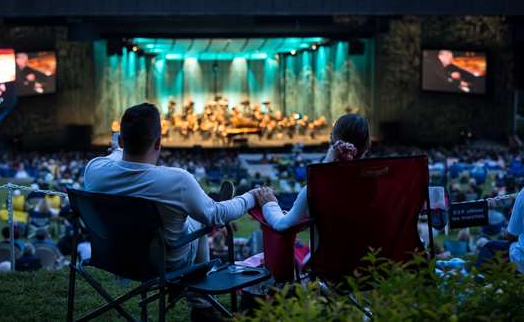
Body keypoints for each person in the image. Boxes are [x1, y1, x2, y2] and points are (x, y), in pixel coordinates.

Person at [84, 103, 258, 322]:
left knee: (197, 214)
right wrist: (251, 196)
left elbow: (114, 157)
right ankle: (200, 307)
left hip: (113, 258)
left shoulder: (94, 170)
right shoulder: (177, 181)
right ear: (158, 142)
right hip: (164, 263)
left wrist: (120, 149)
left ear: (121, 141)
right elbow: (217, 216)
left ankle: (202, 204)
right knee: (202, 219)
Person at [255, 113, 371, 231]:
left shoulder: (318, 183)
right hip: (372, 250)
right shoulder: (382, 180)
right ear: (367, 145)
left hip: (329, 249)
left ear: (333, 139)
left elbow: (282, 225)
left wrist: (269, 204)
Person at [476, 190, 524, 272]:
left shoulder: (522, 194)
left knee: (489, 246)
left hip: (520, 259)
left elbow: (510, 235)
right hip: (498, 232)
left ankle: (479, 280)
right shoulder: (500, 216)